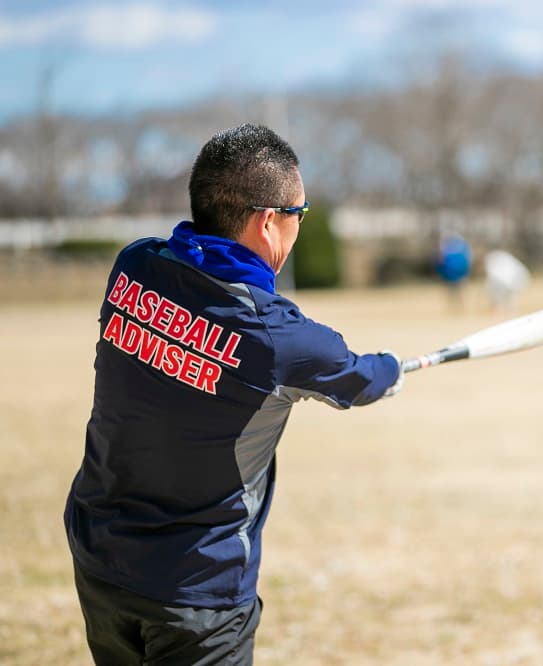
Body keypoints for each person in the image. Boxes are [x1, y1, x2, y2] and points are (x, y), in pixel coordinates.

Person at [63, 123, 403, 665]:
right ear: (269, 222)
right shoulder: (278, 336)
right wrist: (395, 369)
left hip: (99, 553)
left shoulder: (135, 265)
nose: (298, 228)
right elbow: (360, 379)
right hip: (198, 587)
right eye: (300, 214)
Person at [434, 232, 471, 310]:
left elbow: (440, 264)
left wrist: (441, 273)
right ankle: (457, 307)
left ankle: (455, 307)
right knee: (456, 291)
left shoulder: (446, 252)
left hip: (452, 275)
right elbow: (466, 263)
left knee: (453, 292)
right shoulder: (461, 251)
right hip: (456, 275)